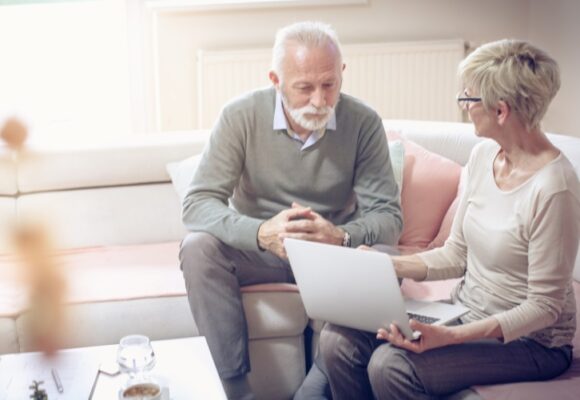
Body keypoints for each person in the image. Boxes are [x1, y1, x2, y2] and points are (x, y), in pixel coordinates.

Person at [319, 39, 580, 399]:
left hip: (532, 344)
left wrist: (451, 336)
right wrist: (387, 266)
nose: (463, 107)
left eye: (469, 98)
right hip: (465, 309)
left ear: (500, 110)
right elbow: (456, 254)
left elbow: (544, 308)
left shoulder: (554, 188)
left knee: (390, 366)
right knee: (338, 340)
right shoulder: (483, 156)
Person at [179, 21, 403, 400]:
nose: (319, 100)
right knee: (197, 247)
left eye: (329, 84)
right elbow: (197, 204)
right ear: (275, 80)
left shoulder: (363, 122)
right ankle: (235, 390)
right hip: (259, 253)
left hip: (330, 253)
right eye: (304, 87)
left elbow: (389, 219)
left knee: (384, 258)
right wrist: (261, 233)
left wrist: (340, 235)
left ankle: (315, 387)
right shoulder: (240, 116)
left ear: (342, 74)